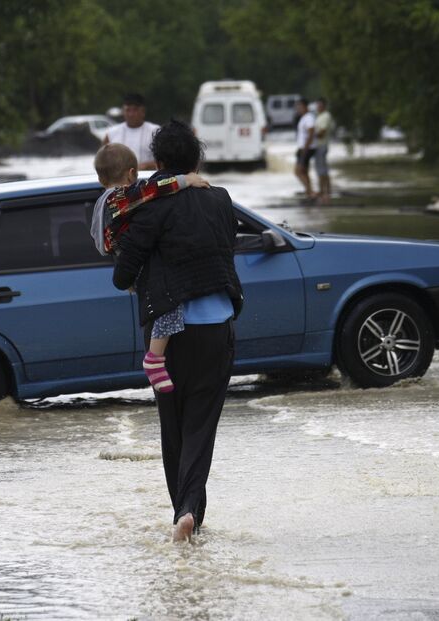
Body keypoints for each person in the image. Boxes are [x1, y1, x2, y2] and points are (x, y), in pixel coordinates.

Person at [112, 120, 243, 543]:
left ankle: (182, 514)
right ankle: (191, 515)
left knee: (174, 429)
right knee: (200, 429)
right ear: (196, 161)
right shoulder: (221, 200)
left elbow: (122, 274)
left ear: (161, 162)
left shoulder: (150, 206)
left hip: (168, 339)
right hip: (216, 331)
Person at [91, 143, 210, 392]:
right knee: (168, 303)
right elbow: (155, 190)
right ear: (132, 174)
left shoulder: (105, 200)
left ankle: (156, 355)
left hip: (125, 258)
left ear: (100, 177)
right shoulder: (121, 197)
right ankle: (154, 359)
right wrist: (186, 180)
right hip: (134, 258)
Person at [103, 93, 160, 170]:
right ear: (123, 111)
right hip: (119, 179)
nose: (131, 114)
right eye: (127, 110)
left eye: (135, 110)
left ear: (143, 111)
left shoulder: (156, 131)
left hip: (149, 178)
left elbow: (165, 161)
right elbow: (102, 161)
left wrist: (147, 166)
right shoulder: (111, 133)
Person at [294, 97, 316, 199]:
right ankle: (309, 191)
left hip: (306, 148)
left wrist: (305, 150)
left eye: (300, 106)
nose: (298, 109)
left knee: (298, 171)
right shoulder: (303, 118)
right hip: (303, 148)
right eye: (297, 107)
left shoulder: (308, 118)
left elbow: (311, 134)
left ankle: (310, 191)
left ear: (305, 107)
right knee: (304, 171)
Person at [313, 98, 334, 205]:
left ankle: (323, 191)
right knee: (322, 168)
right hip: (319, 145)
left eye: (320, 105)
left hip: (321, 145)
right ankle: (327, 190)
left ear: (324, 106)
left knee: (321, 169)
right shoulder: (319, 116)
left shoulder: (326, 116)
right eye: (317, 105)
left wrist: (311, 135)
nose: (318, 107)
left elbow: (322, 131)